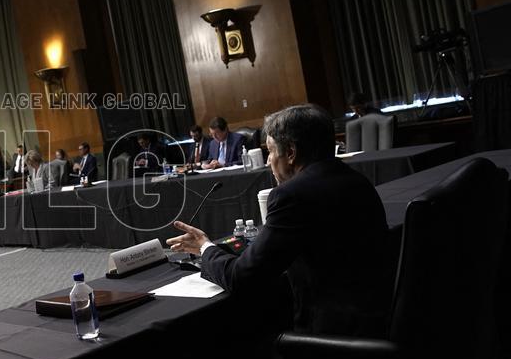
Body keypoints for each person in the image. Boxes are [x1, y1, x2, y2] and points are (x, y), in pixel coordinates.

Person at [167, 104, 392, 337]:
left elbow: (242, 279)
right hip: (379, 318)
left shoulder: (292, 195)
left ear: (291, 153)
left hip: (331, 336)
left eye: (271, 151)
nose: (268, 162)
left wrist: (205, 248)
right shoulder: (357, 180)